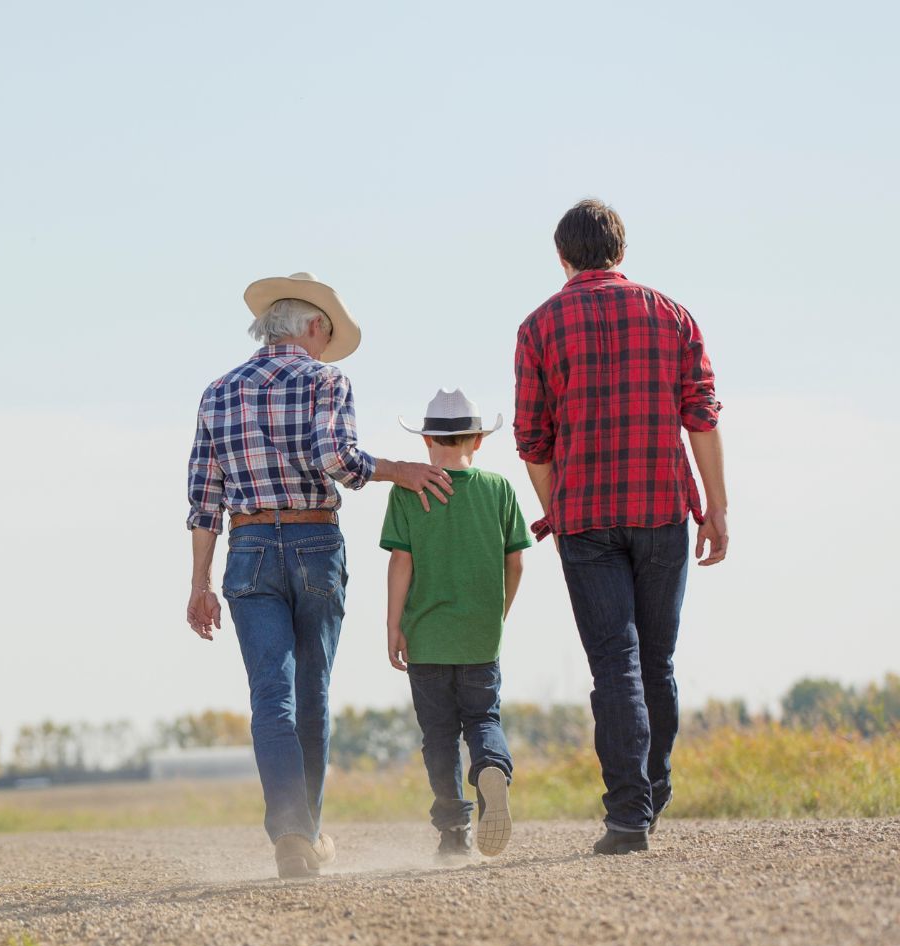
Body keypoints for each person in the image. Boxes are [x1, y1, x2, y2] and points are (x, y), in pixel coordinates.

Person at [185, 272, 454, 879]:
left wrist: (199, 584)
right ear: (312, 325)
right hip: (313, 540)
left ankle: (292, 832)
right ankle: (304, 832)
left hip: (248, 545)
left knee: (270, 698)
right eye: (328, 336)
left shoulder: (218, 392)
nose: (330, 349)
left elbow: (204, 498)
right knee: (312, 694)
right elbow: (338, 461)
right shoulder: (325, 379)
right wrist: (402, 470)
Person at [514, 200, 729, 855]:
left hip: (587, 519)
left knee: (616, 666)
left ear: (562, 256)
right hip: (663, 509)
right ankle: (652, 793)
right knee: (655, 662)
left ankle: (628, 814)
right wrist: (716, 508)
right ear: (620, 250)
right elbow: (703, 416)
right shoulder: (672, 314)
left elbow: (532, 439)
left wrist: (559, 510)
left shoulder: (538, 326)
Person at [381, 389, 530, 859]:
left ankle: (453, 833)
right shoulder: (499, 489)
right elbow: (517, 563)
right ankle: (491, 767)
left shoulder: (408, 489)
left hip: (427, 638)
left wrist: (393, 626)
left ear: (428, 440)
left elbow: (401, 564)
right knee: (483, 718)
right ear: (479, 441)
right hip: (480, 636)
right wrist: (496, 616)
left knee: (440, 736)